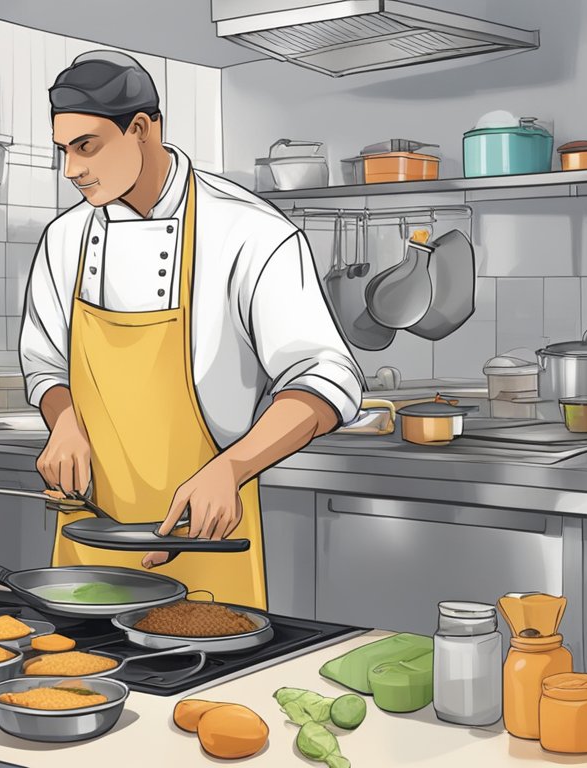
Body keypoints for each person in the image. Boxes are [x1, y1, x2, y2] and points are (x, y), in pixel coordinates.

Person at [19, 51, 363, 609]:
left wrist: (233, 467)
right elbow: (45, 363)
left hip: (207, 533)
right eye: (64, 151)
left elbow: (326, 379)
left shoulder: (250, 233)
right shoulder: (65, 239)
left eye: (86, 146)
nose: (71, 170)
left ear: (142, 129)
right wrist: (64, 425)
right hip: (90, 537)